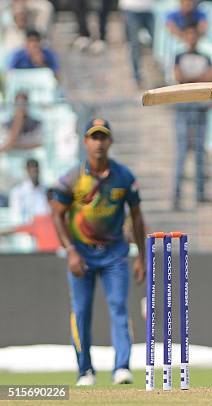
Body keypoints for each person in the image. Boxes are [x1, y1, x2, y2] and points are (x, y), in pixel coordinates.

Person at [50, 119, 146, 386]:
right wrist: (70, 250)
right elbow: (57, 215)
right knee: (80, 311)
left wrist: (141, 256)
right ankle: (85, 371)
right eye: (94, 137)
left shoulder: (124, 176)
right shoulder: (72, 178)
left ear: (110, 142)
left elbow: (137, 217)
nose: (99, 143)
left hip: (115, 253)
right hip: (81, 254)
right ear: (85, 142)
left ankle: (122, 368)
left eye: (103, 137)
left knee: (118, 308)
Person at [173, 24, 212, 210]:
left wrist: (191, 80)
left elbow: (210, 77)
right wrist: (199, 80)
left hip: (200, 107)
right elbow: (178, 77)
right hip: (183, 107)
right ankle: (176, 195)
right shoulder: (179, 56)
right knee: (182, 151)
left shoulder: (206, 57)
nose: (191, 38)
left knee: (199, 151)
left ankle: (200, 193)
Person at [120, 0, 155, 87]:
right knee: (135, 45)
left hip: (149, 8)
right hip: (131, 8)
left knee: (156, 43)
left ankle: (158, 75)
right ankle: (137, 76)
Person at [9, 158, 49, 224]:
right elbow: (16, 216)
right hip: (27, 229)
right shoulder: (18, 191)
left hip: (44, 227)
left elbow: (47, 211)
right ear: (26, 170)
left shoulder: (46, 189)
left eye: (35, 167)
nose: (34, 170)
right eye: (31, 168)